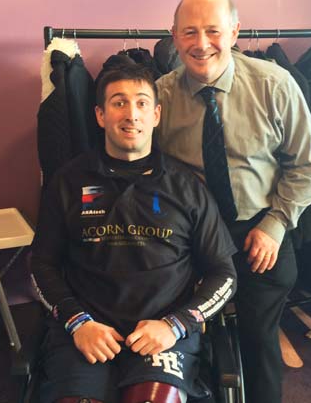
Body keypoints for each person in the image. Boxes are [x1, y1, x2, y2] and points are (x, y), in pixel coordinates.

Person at [156, 0, 311, 403]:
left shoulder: (274, 84)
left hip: (258, 229)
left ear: (234, 31)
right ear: (173, 36)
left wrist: (276, 225)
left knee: (257, 336)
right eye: (190, 32)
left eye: (213, 30)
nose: (201, 44)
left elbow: (309, 165)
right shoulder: (158, 96)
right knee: (177, 332)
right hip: (189, 233)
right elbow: (147, 179)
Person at [31, 62, 237, 403]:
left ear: (156, 115)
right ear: (100, 115)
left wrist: (176, 325)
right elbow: (42, 265)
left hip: (163, 333)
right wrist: (77, 322)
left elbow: (224, 274)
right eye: (118, 103)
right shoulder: (67, 182)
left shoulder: (186, 187)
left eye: (141, 103)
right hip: (87, 330)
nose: (132, 114)